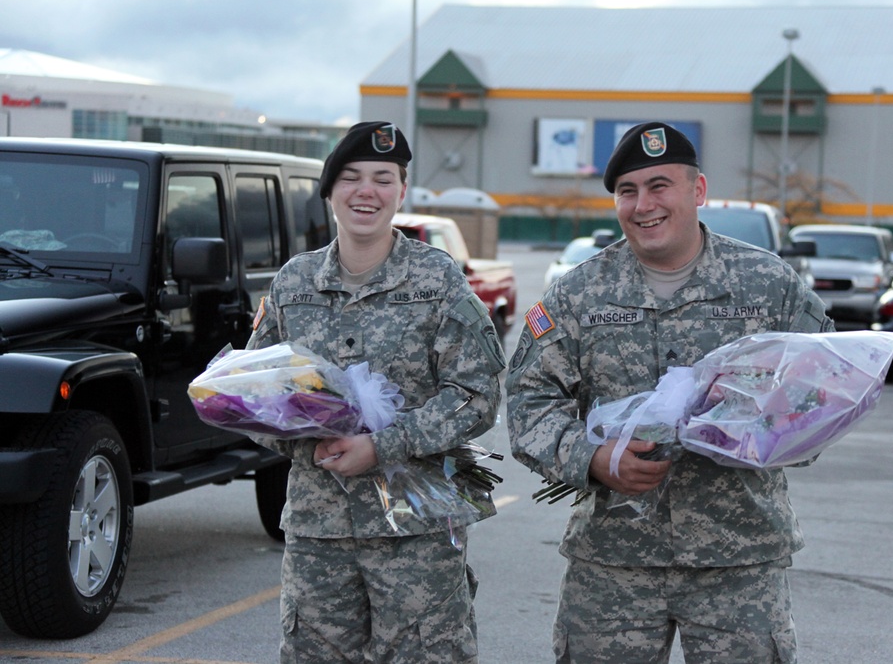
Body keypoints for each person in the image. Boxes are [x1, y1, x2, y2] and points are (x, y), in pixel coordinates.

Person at [505, 121, 834, 663]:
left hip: (739, 560)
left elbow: (822, 393)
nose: (643, 205)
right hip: (614, 562)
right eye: (627, 191)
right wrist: (593, 457)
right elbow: (529, 401)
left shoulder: (768, 286)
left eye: (660, 186)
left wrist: (759, 437)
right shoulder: (579, 293)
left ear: (697, 191)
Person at [246, 121, 506, 663]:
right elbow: (254, 399)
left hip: (418, 530)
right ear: (330, 191)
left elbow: (476, 393)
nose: (368, 192)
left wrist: (383, 446)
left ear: (402, 191)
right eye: (352, 178)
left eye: (383, 179)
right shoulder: (293, 284)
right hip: (320, 533)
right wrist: (307, 443)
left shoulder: (438, 279)